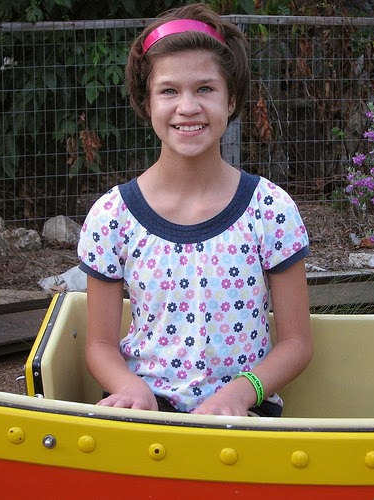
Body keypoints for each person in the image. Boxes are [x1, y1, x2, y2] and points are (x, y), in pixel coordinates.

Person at [77, 3, 312, 417]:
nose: (187, 107)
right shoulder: (112, 216)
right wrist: (130, 388)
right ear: (146, 102)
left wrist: (241, 394)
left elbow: (297, 343)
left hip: (244, 416)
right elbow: (98, 344)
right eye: (169, 91)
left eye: (205, 89)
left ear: (231, 99)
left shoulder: (270, 209)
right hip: (147, 415)